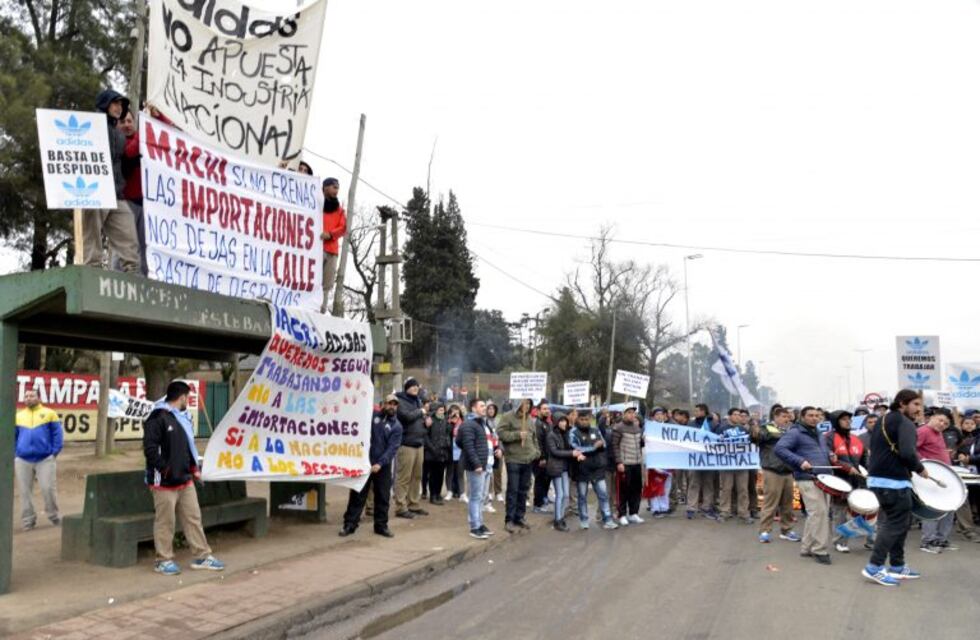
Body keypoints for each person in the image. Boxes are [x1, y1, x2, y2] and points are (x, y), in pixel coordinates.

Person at [143, 381, 224, 575]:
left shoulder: (181, 419)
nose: (188, 401)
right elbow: (150, 449)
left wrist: (194, 469)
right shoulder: (156, 418)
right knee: (165, 522)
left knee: (193, 518)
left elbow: (187, 448)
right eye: (187, 397)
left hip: (184, 480)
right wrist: (165, 470)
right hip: (163, 482)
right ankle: (163, 560)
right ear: (182, 397)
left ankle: (202, 556)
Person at [862, 389, 928, 586]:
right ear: (902, 403)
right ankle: (874, 567)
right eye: (915, 404)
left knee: (900, 522)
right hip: (893, 481)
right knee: (895, 524)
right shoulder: (904, 422)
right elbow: (908, 452)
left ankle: (897, 566)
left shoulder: (884, 419)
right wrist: (920, 468)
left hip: (878, 479)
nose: (919, 409)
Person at [84, 88, 141, 273]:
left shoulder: (118, 133)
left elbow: (128, 157)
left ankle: (133, 281)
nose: (119, 107)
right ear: (104, 104)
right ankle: (92, 278)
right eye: (115, 103)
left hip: (116, 194)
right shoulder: (91, 125)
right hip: (94, 191)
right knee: (92, 249)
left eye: (122, 104)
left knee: (130, 241)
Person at [775, 406, 834, 565]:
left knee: (816, 513)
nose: (814, 418)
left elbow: (822, 449)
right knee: (819, 513)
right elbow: (780, 448)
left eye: (816, 415)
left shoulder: (819, 433)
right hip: (808, 478)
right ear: (802, 417)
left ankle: (807, 547)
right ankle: (819, 550)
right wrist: (800, 462)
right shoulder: (795, 432)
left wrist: (830, 454)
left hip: (824, 478)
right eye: (810, 415)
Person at [341, 394, 402, 538]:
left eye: (395, 404)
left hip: (383, 466)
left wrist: (380, 463)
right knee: (357, 495)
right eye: (389, 403)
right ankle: (350, 524)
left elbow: (392, 448)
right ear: (383, 404)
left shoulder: (397, 426)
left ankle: (381, 526)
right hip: (365, 464)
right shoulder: (372, 416)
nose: (392, 406)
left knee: (382, 497)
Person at [15, 389, 63, 530]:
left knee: (48, 488)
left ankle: (53, 515)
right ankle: (28, 521)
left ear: (39, 398)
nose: (29, 398)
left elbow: (57, 434)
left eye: (32, 396)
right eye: (26, 396)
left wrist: (54, 452)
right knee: (24, 491)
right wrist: (16, 453)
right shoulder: (19, 415)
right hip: (23, 459)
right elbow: (13, 436)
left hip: (45, 458)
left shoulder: (50, 413)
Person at [752, 407, 799, 543]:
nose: (787, 419)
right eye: (784, 416)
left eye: (788, 417)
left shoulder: (791, 430)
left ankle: (787, 530)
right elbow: (758, 437)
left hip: (788, 471)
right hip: (772, 470)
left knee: (787, 503)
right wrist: (755, 430)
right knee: (770, 503)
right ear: (776, 417)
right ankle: (765, 531)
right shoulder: (766, 428)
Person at [456, 398, 500, 539]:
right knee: (475, 497)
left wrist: (498, 449)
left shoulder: (485, 423)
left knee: (481, 497)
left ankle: (480, 524)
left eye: (484, 406)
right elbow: (467, 445)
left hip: (487, 465)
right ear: (473, 408)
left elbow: (493, 441)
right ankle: (474, 527)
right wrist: (476, 464)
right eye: (481, 406)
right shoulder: (469, 424)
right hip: (478, 467)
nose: (484, 408)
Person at [825, 410, 867, 553]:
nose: (848, 421)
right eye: (843, 419)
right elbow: (829, 458)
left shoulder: (856, 439)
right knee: (840, 512)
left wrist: (871, 471)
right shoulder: (828, 438)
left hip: (857, 482)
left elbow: (865, 461)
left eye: (849, 419)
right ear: (836, 421)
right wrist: (847, 468)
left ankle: (868, 540)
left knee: (861, 511)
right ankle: (839, 541)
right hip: (838, 481)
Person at [496, 399, 540, 532]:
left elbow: (534, 438)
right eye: (524, 403)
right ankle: (509, 520)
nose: (527, 406)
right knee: (513, 490)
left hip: (528, 459)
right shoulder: (507, 416)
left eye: (529, 404)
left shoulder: (530, 420)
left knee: (523, 490)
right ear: (518, 404)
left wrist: (537, 451)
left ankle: (519, 517)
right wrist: (516, 435)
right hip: (514, 459)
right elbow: (501, 433)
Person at [569, 410, 618, 530]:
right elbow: (576, 448)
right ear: (578, 420)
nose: (585, 422)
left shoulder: (595, 430)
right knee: (582, 496)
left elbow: (604, 444)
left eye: (587, 419)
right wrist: (593, 447)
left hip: (597, 468)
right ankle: (584, 520)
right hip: (581, 469)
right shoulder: (573, 432)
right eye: (582, 419)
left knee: (603, 495)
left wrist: (599, 446)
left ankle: (608, 519)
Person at [917, 409, 955, 553]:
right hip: (931, 477)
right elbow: (910, 450)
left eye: (946, 423)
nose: (942, 424)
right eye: (940, 420)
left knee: (949, 506)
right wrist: (924, 464)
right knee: (932, 509)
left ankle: (941, 539)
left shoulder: (938, 433)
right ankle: (927, 541)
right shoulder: (923, 430)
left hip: (944, 476)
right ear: (932, 417)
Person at [117, 110, 148, 275]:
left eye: (130, 121)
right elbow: (130, 153)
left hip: (146, 204)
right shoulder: (118, 142)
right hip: (125, 203)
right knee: (125, 246)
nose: (127, 125)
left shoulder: (142, 140)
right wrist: (145, 127)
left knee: (145, 248)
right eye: (123, 122)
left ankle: (144, 285)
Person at [394, 378, 429, 519]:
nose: (415, 388)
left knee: (417, 477)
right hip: (406, 444)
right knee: (404, 477)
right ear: (406, 387)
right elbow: (406, 417)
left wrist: (426, 422)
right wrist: (421, 412)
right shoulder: (399, 401)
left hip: (419, 444)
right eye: (412, 386)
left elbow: (418, 419)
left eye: (417, 386)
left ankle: (413, 504)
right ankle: (400, 507)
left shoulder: (417, 401)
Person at [715, 408, 753, 524]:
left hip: (741, 464)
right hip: (727, 464)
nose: (738, 417)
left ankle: (744, 513)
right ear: (729, 416)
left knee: (743, 489)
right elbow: (715, 444)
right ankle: (724, 512)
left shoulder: (744, 429)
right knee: (726, 489)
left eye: (739, 415)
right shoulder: (722, 429)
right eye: (735, 415)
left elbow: (750, 444)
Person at [546, 414, 581, 532]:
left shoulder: (566, 434)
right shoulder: (551, 435)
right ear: (556, 422)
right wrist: (571, 453)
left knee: (566, 495)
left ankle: (561, 517)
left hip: (565, 468)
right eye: (561, 421)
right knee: (560, 494)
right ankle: (558, 520)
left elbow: (571, 447)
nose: (564, 423)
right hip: (556, 468)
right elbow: (555, 452)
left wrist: (577, 452)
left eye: (564, 421)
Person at [612, 405, 645, 525]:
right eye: (629, 412)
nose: (632, 415)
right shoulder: (618, 428)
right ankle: (622, 514)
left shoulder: (637, 427)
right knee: (623, 490)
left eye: (633, 413)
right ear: (624, 414)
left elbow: (640, 444)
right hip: (625, 464)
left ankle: (633, 513)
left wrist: (643, 440)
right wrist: (619, 462)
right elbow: (614, 446)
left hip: (637, 463)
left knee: (636, 489)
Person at [686, 403, 719, 520]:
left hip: (709, 459)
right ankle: (691, 507)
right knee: (694, 483)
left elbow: (718, 439)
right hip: (695, 458)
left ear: (704, 411)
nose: (695, 413)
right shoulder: (690, 424)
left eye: (697, 411)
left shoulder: (713, 424)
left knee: (708, 484)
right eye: (694, 411)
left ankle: (706, 507)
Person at [320, 177, 348, 313]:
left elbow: (344, 227)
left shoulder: (340, 210)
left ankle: (322, 309)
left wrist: (330, 234)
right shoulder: (316, 205)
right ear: (325, 187)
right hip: (315, 248)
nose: (336, 190)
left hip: (331, 251)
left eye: (337, 188)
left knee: (327, 284)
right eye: (334, 187)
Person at [423, 403, 452, 505]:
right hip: (432, 453)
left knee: (440, 475)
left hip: (443, 453)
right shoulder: (430, 420)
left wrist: (449, 424)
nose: (442, 412)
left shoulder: (445, 420)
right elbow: (426, 436)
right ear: (435, 410)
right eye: (440, 410)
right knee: (433, 475)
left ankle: (438, 494)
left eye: (443, 410)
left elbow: (448, 433)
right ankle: (433, 496)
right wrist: (432, 448)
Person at [532, 401, 553, 514]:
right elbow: (538, 442)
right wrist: (542, 458)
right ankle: (537, 504)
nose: (547, 411)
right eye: (544, 409)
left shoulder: (548, 423)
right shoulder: (538, 424)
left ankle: (543, 501)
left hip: (549, 458)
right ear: (539, 410)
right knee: (540, 481)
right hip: (540, 459)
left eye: (548, 409)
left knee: (546, 480)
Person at [486, 402, 504, 504]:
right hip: (488, 449)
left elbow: (502, 437)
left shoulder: (499, 422)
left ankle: (498, 492)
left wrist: (501, 449)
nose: (491, 411)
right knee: (488, 472)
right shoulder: (484, 422)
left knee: (498, 472)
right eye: (489, 409)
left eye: (492, 409)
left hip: (498, 448)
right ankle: (489, 492)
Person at [447, 404, 466, 500]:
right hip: (450, 450)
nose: (455, 414)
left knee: (460, 472)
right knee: (450, 472)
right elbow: (447, 433)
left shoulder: (463, 422)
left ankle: (462, 493)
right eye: (453, 412)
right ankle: (449, 491)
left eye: (457, 411)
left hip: (460, 451)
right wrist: (451, 422)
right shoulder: (448, 422)